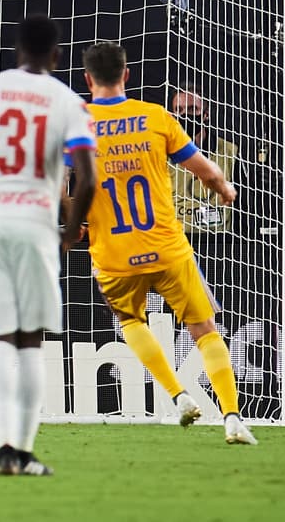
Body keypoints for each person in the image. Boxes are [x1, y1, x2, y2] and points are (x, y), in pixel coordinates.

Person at [0, 15, 97, 476]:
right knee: (30, 340)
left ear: (15, 50)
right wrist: (71, 229)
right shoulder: (67, 101)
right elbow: (86, 176)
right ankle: (22, 453)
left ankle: (3, 448)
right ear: (57, 54)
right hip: (34, 225)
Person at [79, 42, 255, 445]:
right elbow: (206, 171)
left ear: (88, 79)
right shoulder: (155, 117)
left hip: (114, 252)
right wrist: (225, 190)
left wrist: (73, 225)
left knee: (130, 323)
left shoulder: (77, 124)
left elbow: (63, 186)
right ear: (126, 75)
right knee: (204, 329)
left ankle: (178, 396)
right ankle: (232, 418)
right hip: (166, 246)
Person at [169, 85, 237, 236]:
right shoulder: (161, 155)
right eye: (179, 110)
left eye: (193, 109)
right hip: (177, 245)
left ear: (206, 114)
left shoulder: (230, 152)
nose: (185, 115)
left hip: (220, 245)